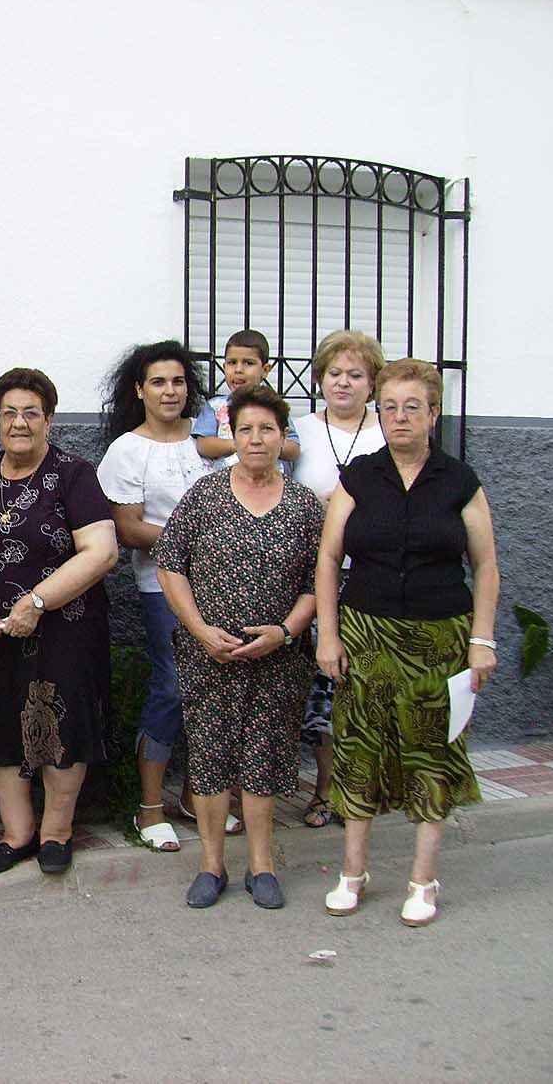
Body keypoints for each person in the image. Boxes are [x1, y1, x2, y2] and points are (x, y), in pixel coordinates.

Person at [316, 358, 499, 927]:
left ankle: (423, 880)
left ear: (434, 414)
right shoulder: (359, 477)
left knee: (431, 750)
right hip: (365, 633)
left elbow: (486, 565)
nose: (399, 417)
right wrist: (328, 634)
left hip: (440, 638)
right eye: (389, 407)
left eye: (412, 407)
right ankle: (353, 872)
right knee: (358, 748)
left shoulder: (459, 481)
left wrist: (482, 640)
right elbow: (328, 558)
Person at [0, 368, 118, 876]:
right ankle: (16, 834)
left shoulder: (74, 474)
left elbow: (101, 551)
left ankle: (56, 833)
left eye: (31, 413)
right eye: (9, 412)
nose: (19, 422)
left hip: (64, 629)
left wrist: (37, 603)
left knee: (61, 726)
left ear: (49, 420)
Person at [154, 387, 325, 910]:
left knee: (263, 758)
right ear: (233, 435)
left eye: (267, 429)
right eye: (245, 429)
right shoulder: (205, 495)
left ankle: (261, 865)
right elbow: (170, 565)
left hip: (278, 660)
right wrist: (201, 630)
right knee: (209, 756)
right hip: (209, 655)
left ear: (282, 437)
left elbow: (317, 583)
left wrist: (285, 632)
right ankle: (210, 865)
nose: (256, 439)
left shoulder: (304, 505)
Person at [96, 341, 231, 853]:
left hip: (227, 585)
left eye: (177, 381)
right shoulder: (127, 451)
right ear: (139, 390)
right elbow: (129, 529)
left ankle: (199, 798)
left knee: (217, 687)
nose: (169, 391)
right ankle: (149, 806)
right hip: (162, 587)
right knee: (172, 687)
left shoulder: (211, 438)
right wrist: (200, 537)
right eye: (158, 382)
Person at [290, 329, 386, 829]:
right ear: (319, 378)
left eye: (355, 375)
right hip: (313, 577)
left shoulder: (388, 430)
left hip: (373, 576)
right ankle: (324, 790)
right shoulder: (299, 431)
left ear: (372, 383)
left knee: (365, 684)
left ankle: (362, 788)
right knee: (323, 687)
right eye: (334, 373)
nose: (343, 383)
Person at [191, 328, 300, 470]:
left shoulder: (274, 406)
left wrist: (266, 445)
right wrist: (240, 444)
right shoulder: (215, 406)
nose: (238, 370)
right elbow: (203, 445)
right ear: (224, 367)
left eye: (248, 363)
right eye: (232, 362)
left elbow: (294, 448)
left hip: (270, 480)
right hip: (228, 481)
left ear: (265, 370)